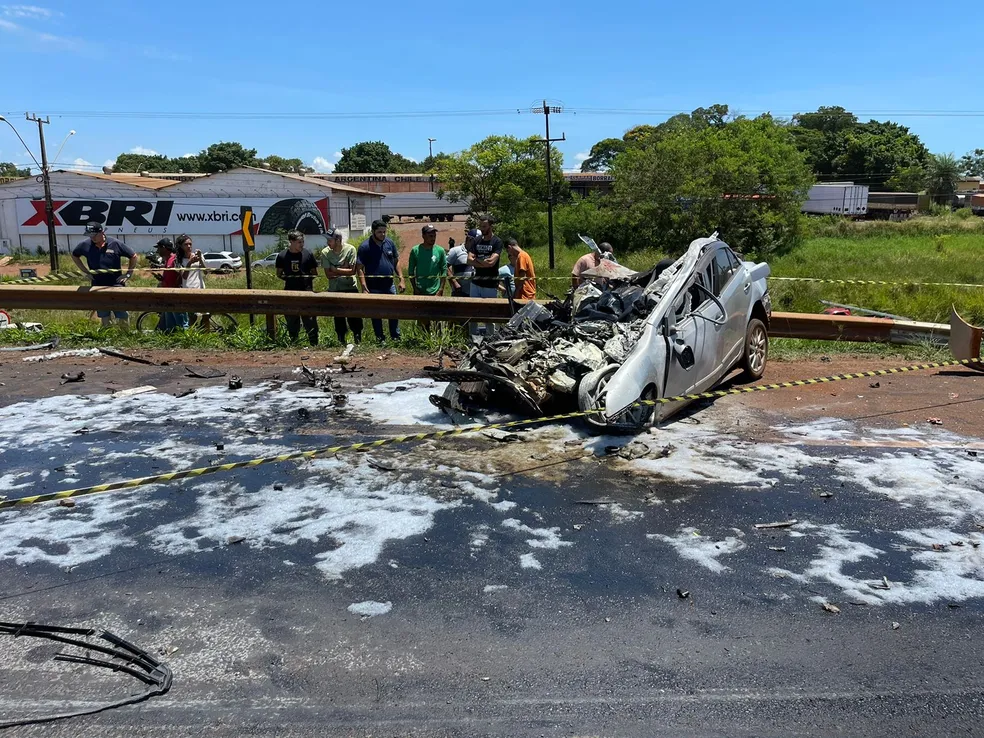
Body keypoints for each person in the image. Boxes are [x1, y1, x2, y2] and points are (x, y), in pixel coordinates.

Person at [71, 222, 137, 328]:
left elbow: (133, 256)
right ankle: (107, 335)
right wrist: (85, 271)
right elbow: (75, 255)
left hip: (116, 285)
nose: (92, 238)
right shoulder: (85, 245)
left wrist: (128, 274)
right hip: (97, 285)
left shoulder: (115, 243)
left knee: (122, 313)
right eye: (90, 235)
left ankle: (125, 335)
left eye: (94, 235)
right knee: (104, 315)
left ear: (102, 232)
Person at [357, 219, 405, 344]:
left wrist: (401, 278)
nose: (382, 235)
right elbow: (360, 268)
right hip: (373, 287)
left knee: (393, 312)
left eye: (384, 232)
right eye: (379, 232)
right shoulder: (365, 247)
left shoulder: (389, 243)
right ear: (373, 232)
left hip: (389, 285)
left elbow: (396, 261)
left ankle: (395, 337)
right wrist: (363, 287)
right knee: (376, 314)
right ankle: (380, 339)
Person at [276, 230, 319, 345]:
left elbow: (314, 273)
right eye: (299, 242)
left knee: (310, 321)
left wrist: (305, 280)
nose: (302, 244)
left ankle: (314, 344)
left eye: (303, 242)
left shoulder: (308, 254)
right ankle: (294, 344)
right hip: (290, 294)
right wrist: (290, 279)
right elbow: (279, 273)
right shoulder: (282, 256)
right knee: (292, 321)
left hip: (307, 294)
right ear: (291, 242)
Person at [320, 227, 363, 344]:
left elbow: (352, 271)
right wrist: (343, 269)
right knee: (338, 316)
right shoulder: (325, 253)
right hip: (335, 289)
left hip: (350, 288)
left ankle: (358, 339)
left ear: (338, 240)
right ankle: (341, 340)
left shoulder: (350, 250)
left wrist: (335, 269)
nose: (327, 243)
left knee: (354, 315)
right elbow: (328, 275)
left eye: (330, 240)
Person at [466, 215, 503, 337]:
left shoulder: (497, 242)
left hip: (490, 284)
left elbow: (492, 263)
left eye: (484, 226)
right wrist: (484, 262)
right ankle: (472, 338)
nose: (482, 228)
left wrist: (478, 260)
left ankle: (491, 339)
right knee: (473, 314)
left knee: (489, 315)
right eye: (480, 226)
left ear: (491, 226)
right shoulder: (476, 241)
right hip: (476, 283)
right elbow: (469, 260)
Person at [176, 234, 208, 330]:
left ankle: (205, 333)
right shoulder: (179, 260)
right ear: (181, 246)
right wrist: (189, 263)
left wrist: (200, 260)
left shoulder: (197, 256)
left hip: (200, 287)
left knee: (206, 314)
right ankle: (191, 335)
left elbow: (206, 271)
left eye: (190, 244)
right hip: (188, 289)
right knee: (192, 315)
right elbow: (184, 276)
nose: (189, 246)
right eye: (186, 244)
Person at [446, 232, 476, 298]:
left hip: (476, 292)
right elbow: (445, 266)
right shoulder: (455, 251)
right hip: (460, 291)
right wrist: (454, 282)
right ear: (469, 239)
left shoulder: (478, 251)